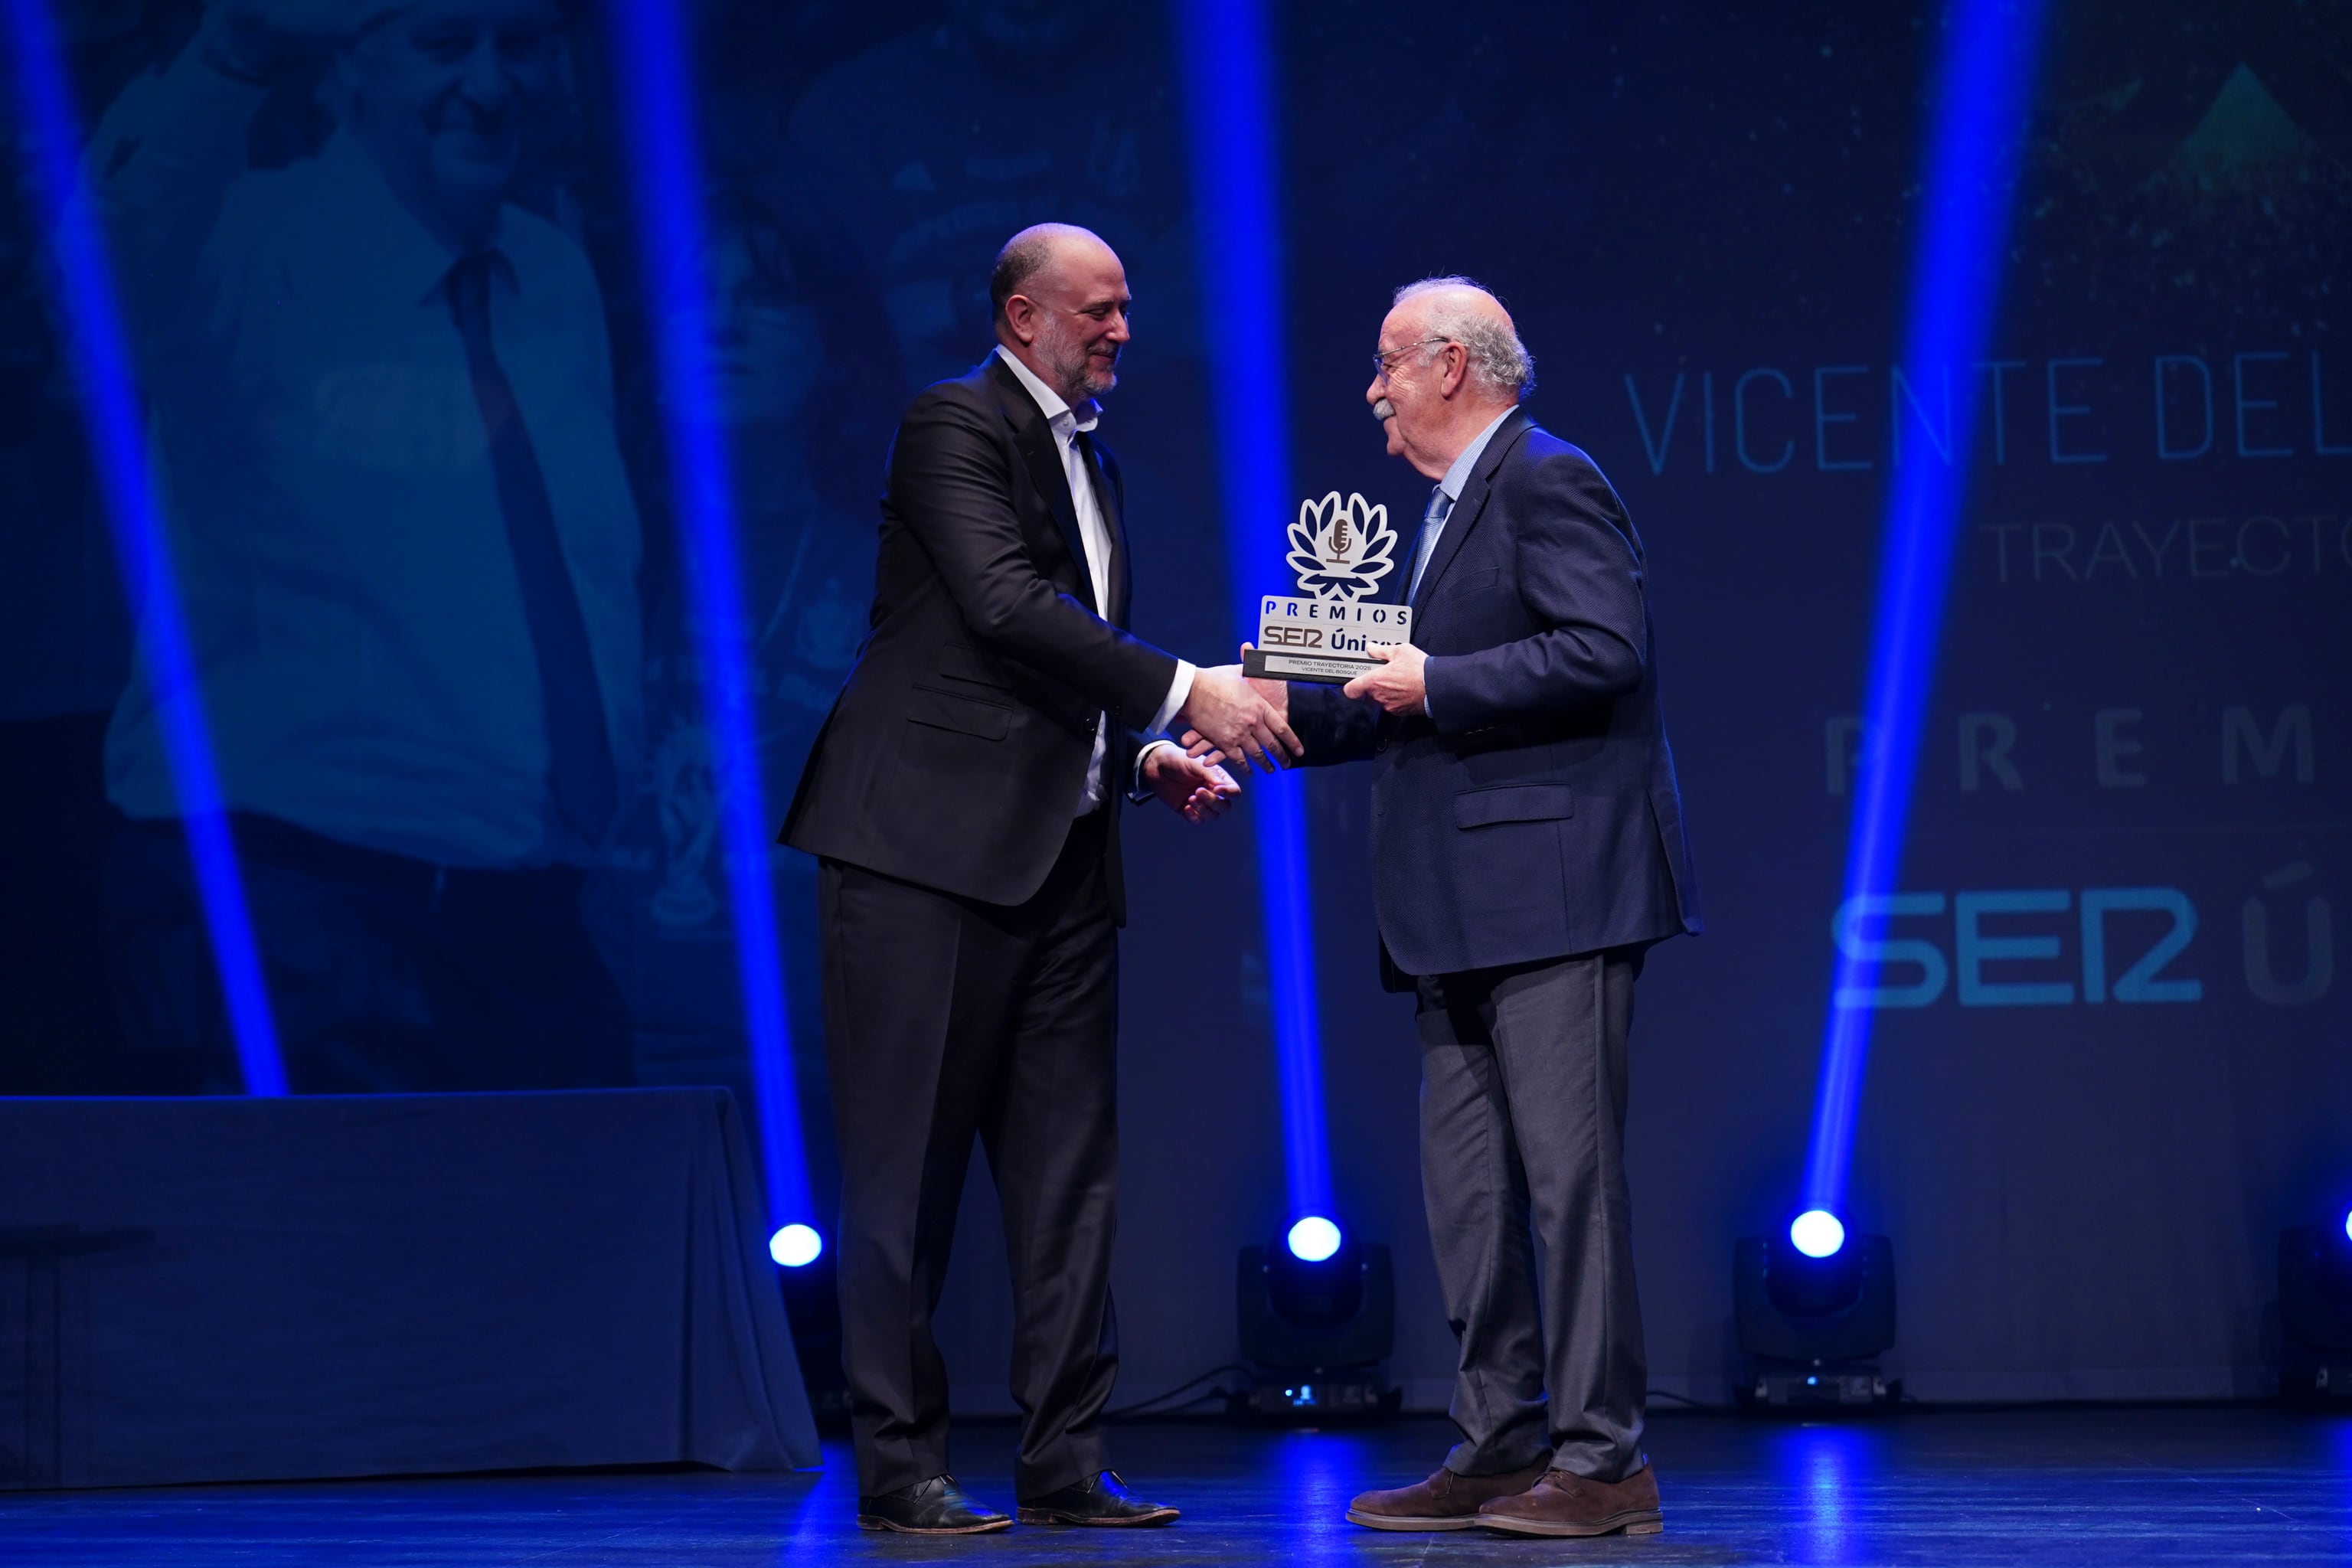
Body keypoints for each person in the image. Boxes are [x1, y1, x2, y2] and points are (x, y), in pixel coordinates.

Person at [781, 222, 1289, 1535]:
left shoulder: (1097, 464)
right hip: (919, 857)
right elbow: (1005, 607)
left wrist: (1144, 759)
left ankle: (1064, 1463)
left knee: (1070, 1183)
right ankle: (901, 1472)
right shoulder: (951, 422)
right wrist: (1192, 689)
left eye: (1128, 309)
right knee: (906, 1180)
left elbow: (1063, 669)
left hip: (1062, 860)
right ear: (1022, 318)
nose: (1123, 329)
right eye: (1099, 310)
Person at [1205, 278, 1700, 1538]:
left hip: (1557, 897)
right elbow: (1386, 695)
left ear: (1453, 367)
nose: (1370, 390)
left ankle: (1603, 1464)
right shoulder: (1437, 512)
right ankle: (1497, 1445)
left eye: (1385, 364)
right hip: (1451, 913)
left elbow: (1606, 649)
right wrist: (1248, 719)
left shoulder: (1546, 477)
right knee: (1472, 1201)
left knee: (1567, 1192)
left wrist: (1440, 679)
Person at [88, 0, 641, 1093]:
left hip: (519, 916)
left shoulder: (553, 275)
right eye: (444, 43)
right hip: (297, 904)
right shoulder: (241, 243)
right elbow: (93, 271)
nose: (491, 83)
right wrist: (236, 51)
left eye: (519, 44)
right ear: (349, 62)